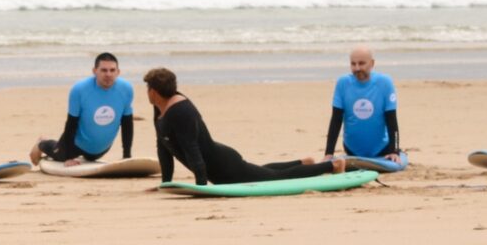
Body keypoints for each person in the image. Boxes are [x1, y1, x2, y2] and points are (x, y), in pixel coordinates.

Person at [144, 67, 343, 185]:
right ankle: (303, 161)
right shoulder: (160, 108)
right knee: (261, 171)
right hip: (219, 164)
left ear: (154, 91)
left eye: (148, 88)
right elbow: (164, 146)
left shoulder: (180, 111)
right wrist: (166, 183)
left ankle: (331, 165)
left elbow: (192, 150)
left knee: (275, 178)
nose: (147, 92)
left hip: (224, 167)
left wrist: (201, 186)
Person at [31, 52, 136, 167]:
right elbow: (71, 123)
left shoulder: (126, 89)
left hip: (101, 149)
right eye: (104, 70)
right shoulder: (79, 90)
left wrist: (127, 156)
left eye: (112, 70)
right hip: (76, 144)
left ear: (118, 72)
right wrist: (69, 156)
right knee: (59, 154)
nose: (108, 74)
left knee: (92, 157)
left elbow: (127, 124)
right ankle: (42, 143)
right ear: (94, 71)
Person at [324, 47, 401, 162]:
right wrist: (329, 153)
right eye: (353, 64)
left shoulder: (385, 83)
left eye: (361, 63)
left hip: (381, 149)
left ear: (372, 63)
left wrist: (394, 151)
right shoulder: (343, 83)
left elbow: (391, 119)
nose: (357, 68)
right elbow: (336, 119)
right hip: (352, 150)